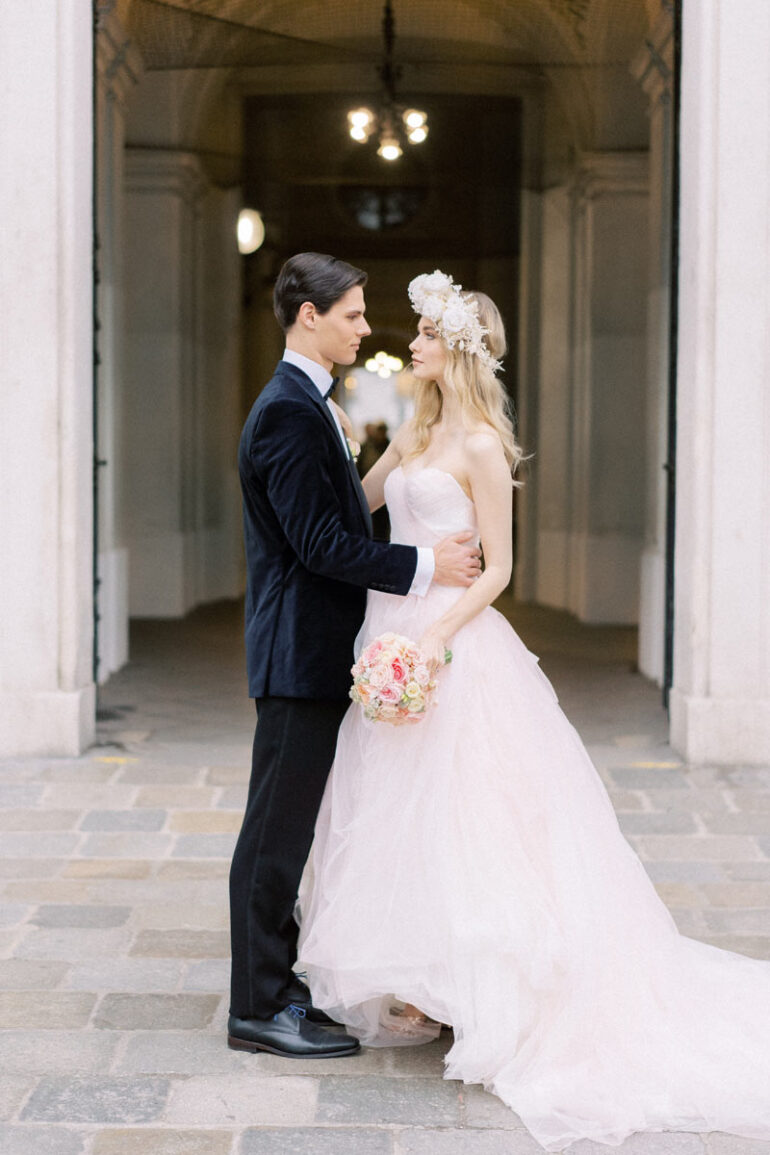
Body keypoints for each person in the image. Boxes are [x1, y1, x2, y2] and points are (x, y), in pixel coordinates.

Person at [297, 270, 770, 1149]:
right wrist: (342, 467)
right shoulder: (417, 427)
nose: (416, 342)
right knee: (391, 807)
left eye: (429, 332)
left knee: (467, 813)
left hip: (448, 643)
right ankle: (415, 980)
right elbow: (354, 513)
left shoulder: (479, 444)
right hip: (387, 630)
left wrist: (433, 637)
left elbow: (502, 571)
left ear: (458, 347)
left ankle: (472, 985)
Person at [228, 254, 482, 1060]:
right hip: (297, 653)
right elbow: (320, 545)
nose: (368, 328)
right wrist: (423, 567)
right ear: (309, 316)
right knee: (273, 834)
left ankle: (281, 988)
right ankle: (258, 1006)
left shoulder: (314, 403)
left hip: (314, 649)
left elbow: (340, 511)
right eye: (353, 315)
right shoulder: (288, 413)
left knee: (291, 828)